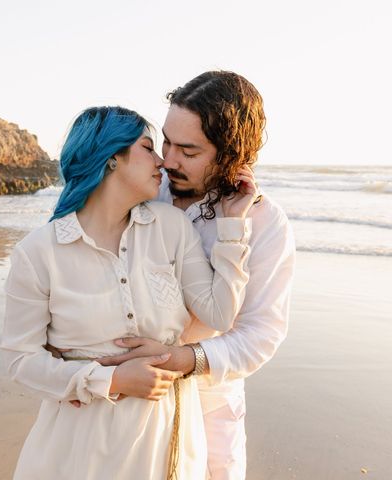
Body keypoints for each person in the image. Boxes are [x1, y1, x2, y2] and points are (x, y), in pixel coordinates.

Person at [1, 105, 258, 479]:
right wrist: (112, 380)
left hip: (166, 438)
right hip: (79, 447)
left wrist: (233, 224)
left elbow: (220, 314)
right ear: (111, 160)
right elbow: (20, 360)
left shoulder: (171, 227)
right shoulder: (38, 253)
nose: (162, 161)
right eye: (148, 147)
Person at [97, 71, 296, 479]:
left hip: (211, 401)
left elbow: (261, 334)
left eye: (188, 150)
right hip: (125, 391)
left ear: (232, 156)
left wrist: (183, 359)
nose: (168, 160)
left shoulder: (265, 222)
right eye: (166, 141)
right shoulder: (147, 190)